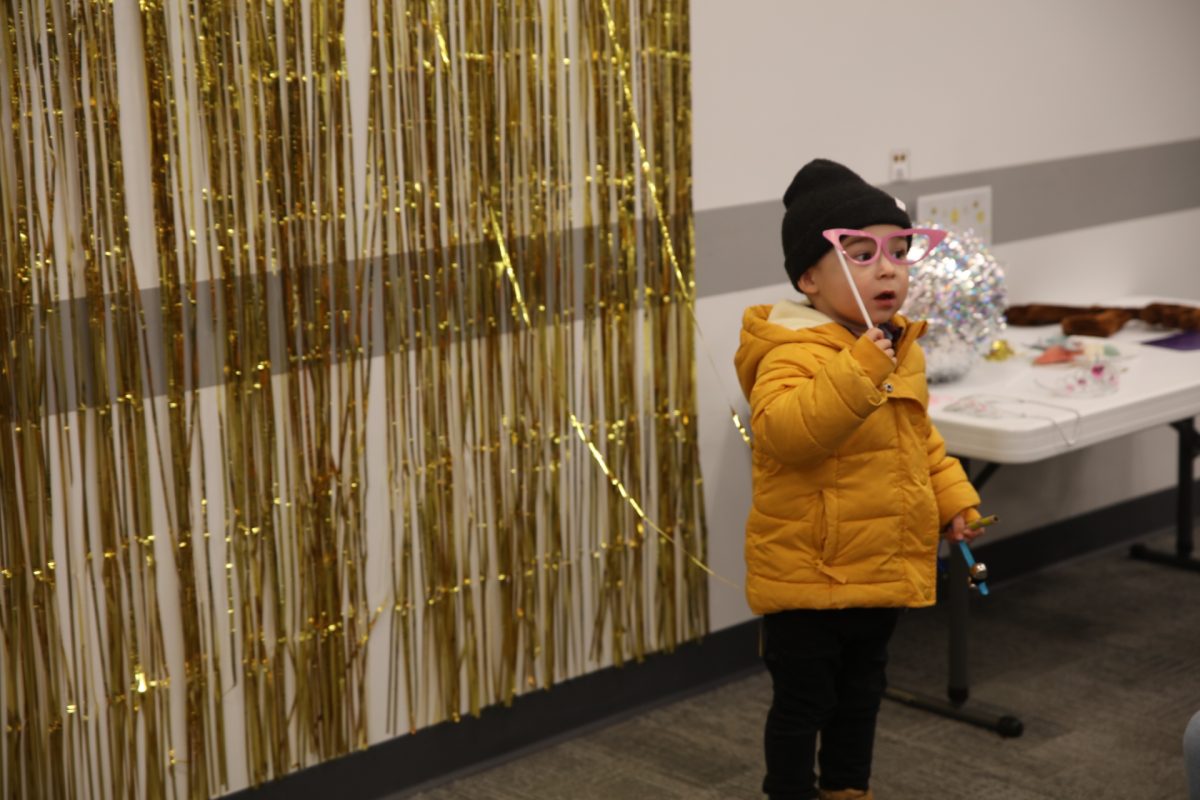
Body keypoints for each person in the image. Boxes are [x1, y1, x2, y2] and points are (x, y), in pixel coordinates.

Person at [733, 159, 985, 800]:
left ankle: (848, 790)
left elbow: (915, 437)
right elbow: (788, 434)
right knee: (802, 708)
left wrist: (953, 499)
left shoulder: (896, 344)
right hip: (808, 572)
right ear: (809, 278)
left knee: (860, 699)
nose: (889, 268)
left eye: (899, 251)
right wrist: (859, 369)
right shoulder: (787, 349)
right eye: (862, 252)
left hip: (876, 567)